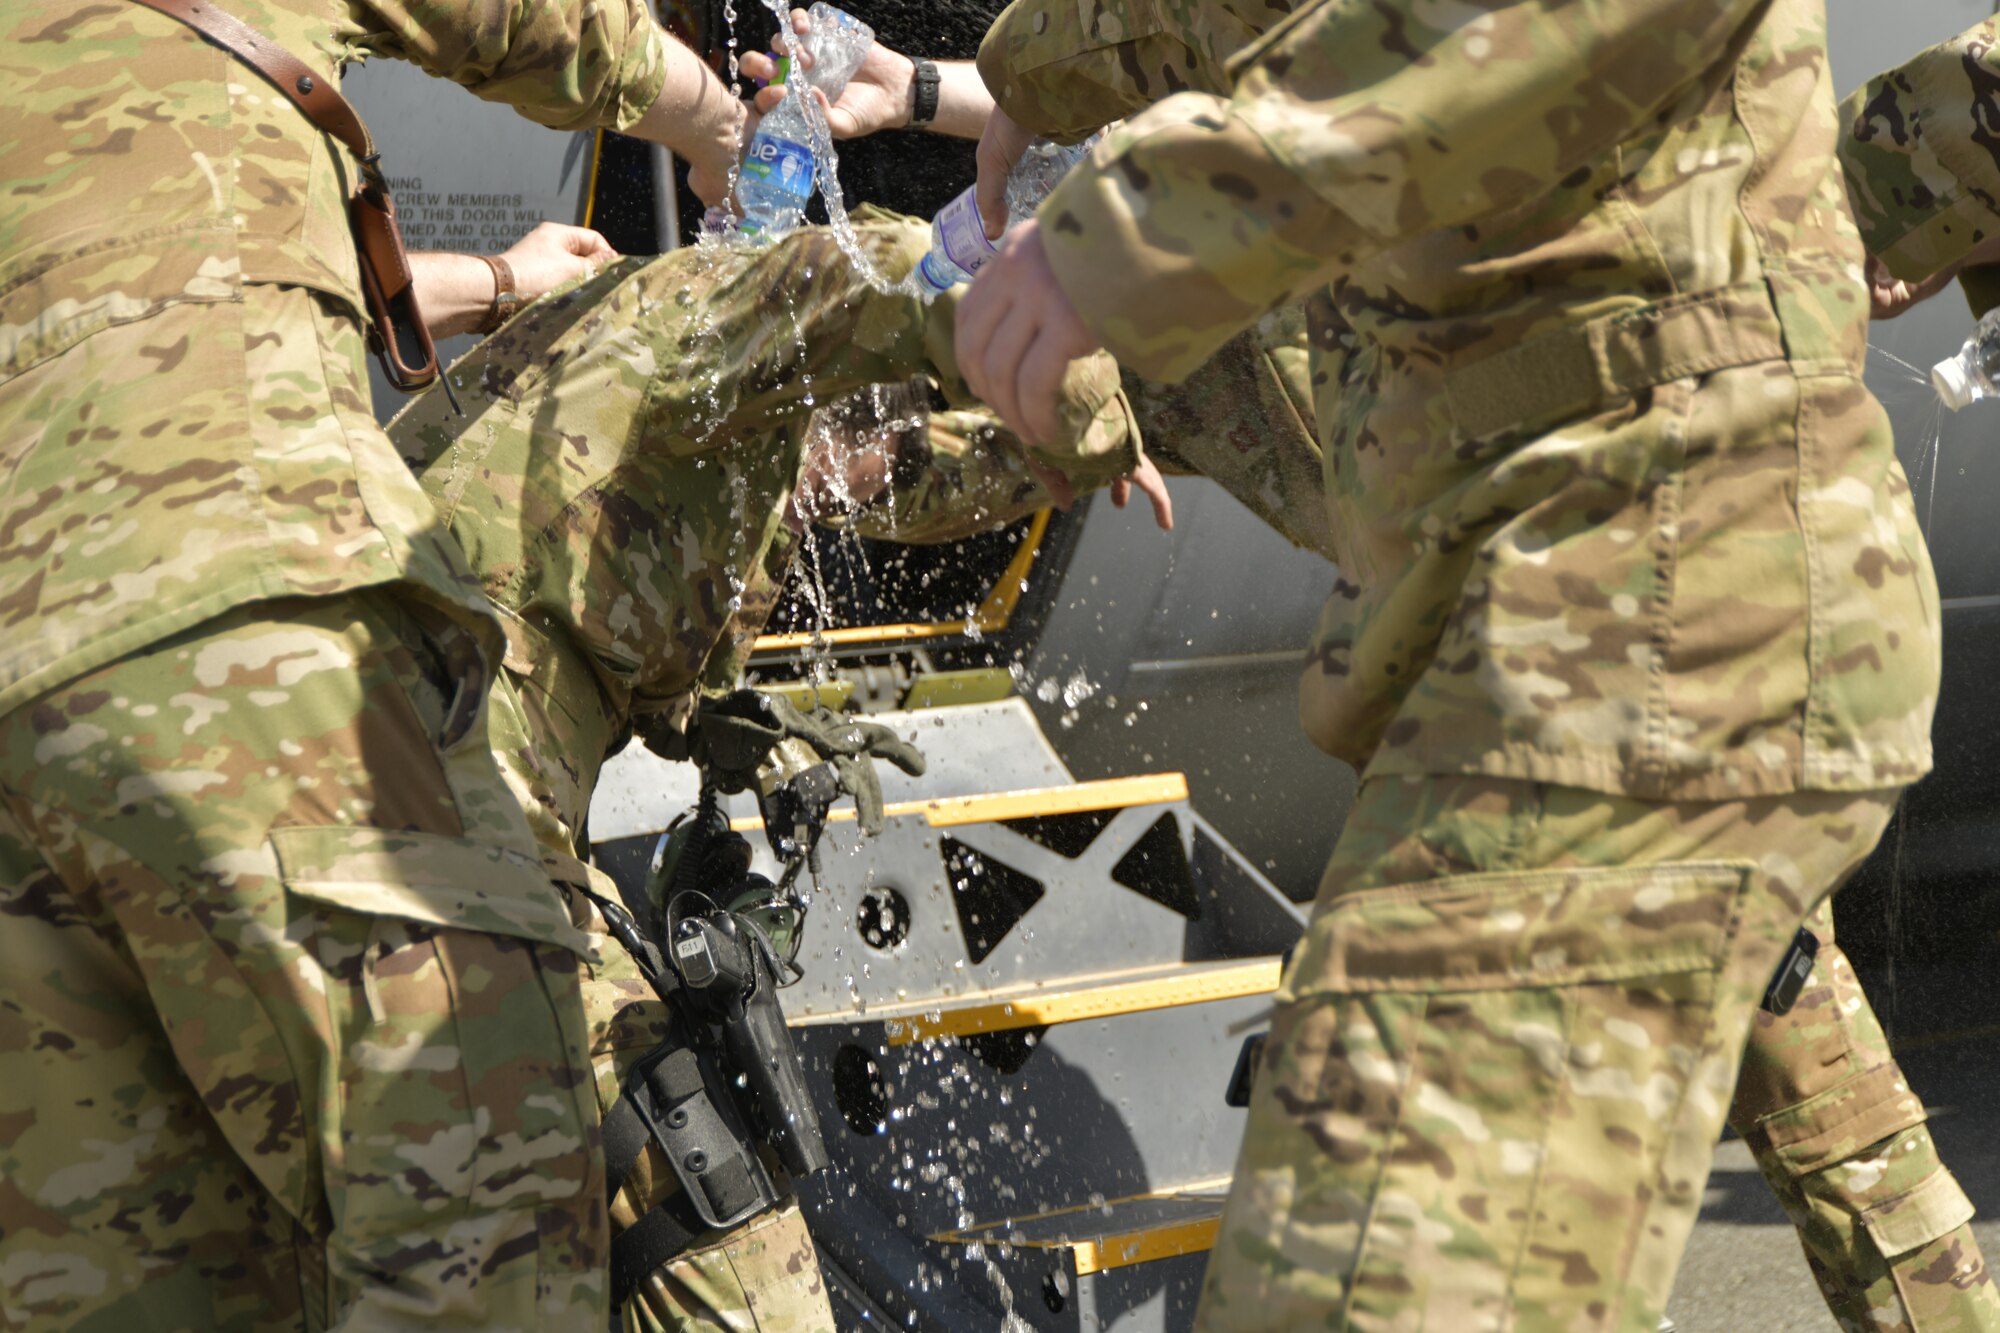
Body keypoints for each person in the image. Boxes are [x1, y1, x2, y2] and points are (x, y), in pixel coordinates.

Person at [943, 0, 1990, 1328]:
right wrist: (1015, 69)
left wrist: (1132, 225)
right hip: (1538, 641)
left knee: (1363, 1286)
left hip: (1636, 593)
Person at [0, 1, 765, 1327]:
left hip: (26, 729)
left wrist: (504, 286)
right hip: (249, 643)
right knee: (481, 1234)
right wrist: (710, 121)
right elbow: (530, 18)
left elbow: (159, 271)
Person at [387, 213, 1140, 1330]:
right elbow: (892, 275)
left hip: (352, 783)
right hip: (435, 802)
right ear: (831, 401)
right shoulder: (729, 320)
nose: (840, 510)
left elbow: (646, 615)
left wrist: (759, 744)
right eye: (856, 472)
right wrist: (1093, 421)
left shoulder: (690, 425)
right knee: (716, 1216)